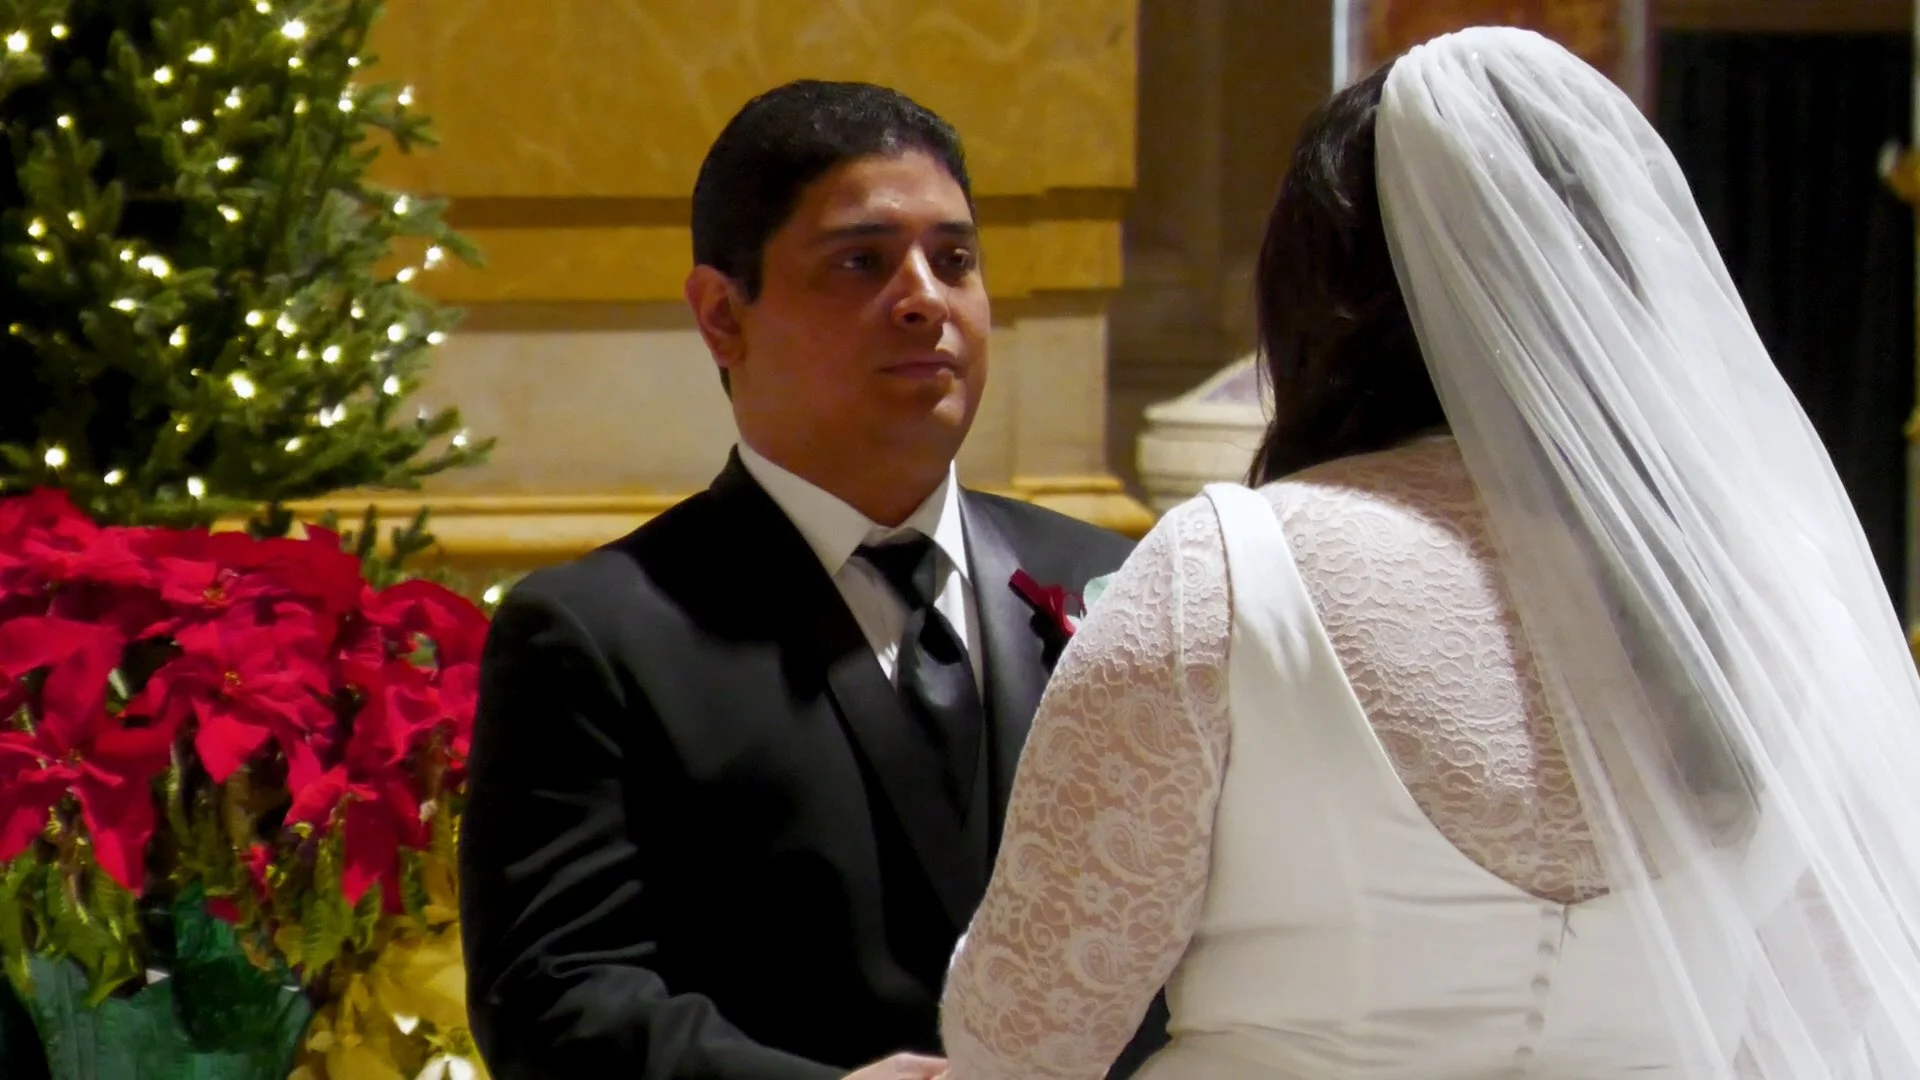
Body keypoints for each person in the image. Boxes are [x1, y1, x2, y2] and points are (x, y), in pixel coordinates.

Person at [939, 27, 1920, 1079]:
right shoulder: (1789, 604)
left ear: (1323, 298)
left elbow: (1025, 1037)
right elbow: (1823, 1006)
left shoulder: (1226, 575)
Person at [458, 80, 1157, 1080]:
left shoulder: (1115, 582)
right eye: (861, 262)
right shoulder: (601, 635)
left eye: (954, 260)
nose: (924, 298)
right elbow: (556, 997)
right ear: (722, 316)